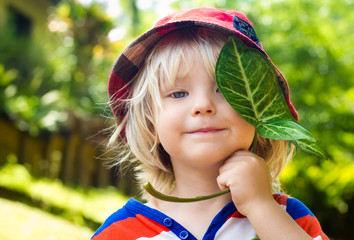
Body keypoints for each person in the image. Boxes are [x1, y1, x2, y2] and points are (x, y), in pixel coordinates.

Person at [92, 7, 329, 240]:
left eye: (225, 90)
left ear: (262, 112)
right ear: (150, 124)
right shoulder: (120, 233)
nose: (203, 105)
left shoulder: (288, 219)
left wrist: (260, 206)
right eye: (178, 94)